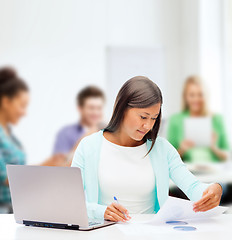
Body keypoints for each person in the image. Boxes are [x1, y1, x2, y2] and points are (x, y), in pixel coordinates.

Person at [71, 76, 222, 222]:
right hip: (104, 234)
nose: (148, 126)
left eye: (154, 118)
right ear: (122, 108)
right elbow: (71, 202)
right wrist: (100, 212)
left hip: (149, 233)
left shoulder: (162, 149)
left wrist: (213, 189)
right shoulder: (88, 147)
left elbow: (192, 186)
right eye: (143, 117)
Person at [0, 67, 67, 213]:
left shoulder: (10, 136)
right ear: (6, 102)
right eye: (22, 105)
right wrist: (45, 166)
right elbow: (6, 179)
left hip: (17, 208)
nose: (24, 112)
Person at [167, 75, 229, 163]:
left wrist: (214, 148)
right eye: (192, 95)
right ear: (185, 97)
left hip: (215, 173)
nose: (196, 99)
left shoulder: (217, 119)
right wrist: (182, 150)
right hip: (187, 172)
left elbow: (227, 156)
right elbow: (169, 159)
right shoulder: (176, 120)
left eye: (200, 94)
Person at [53, 86, 105, 155]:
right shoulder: (66, 133)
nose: (96, 112)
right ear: (80, 109)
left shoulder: (109, 133)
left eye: (99, 108)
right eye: (91, 108)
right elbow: (61, 164)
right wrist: (88, 134)